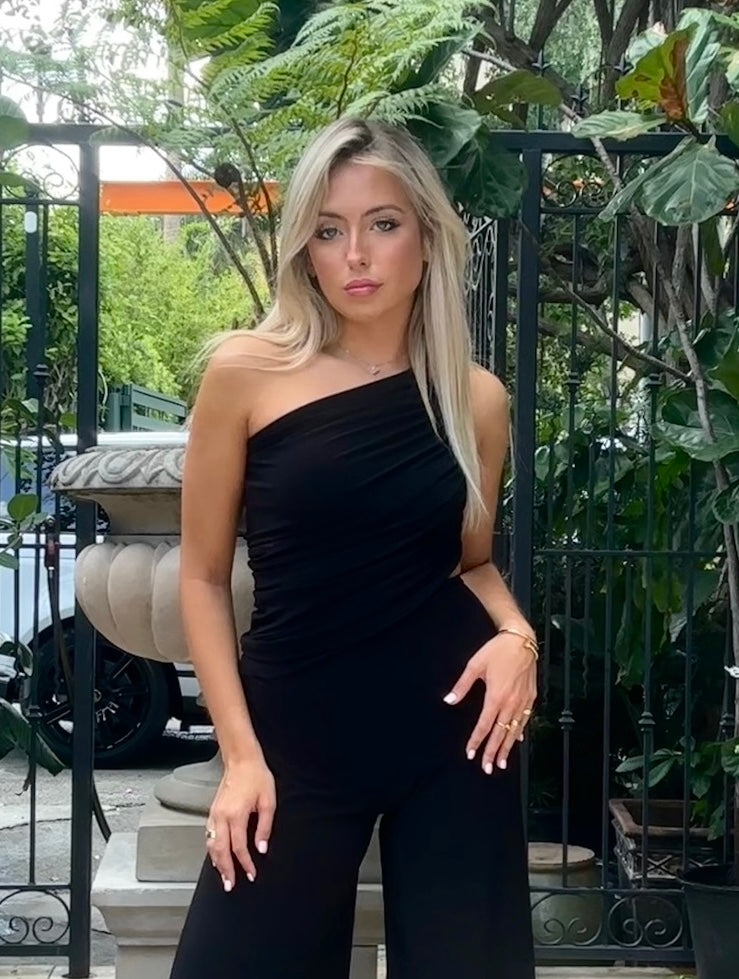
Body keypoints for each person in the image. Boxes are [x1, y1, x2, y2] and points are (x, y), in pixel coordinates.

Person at [169, 117, 537, 979]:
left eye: (383, 223)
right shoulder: (245, 372)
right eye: (328, 230)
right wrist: (240, 757)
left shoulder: (476, 400)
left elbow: (470, 561)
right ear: (304, 247)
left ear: (427, 236)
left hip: (454, 731)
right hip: (292, 740)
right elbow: (201, 576)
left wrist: (518, 638)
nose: (355, 255)